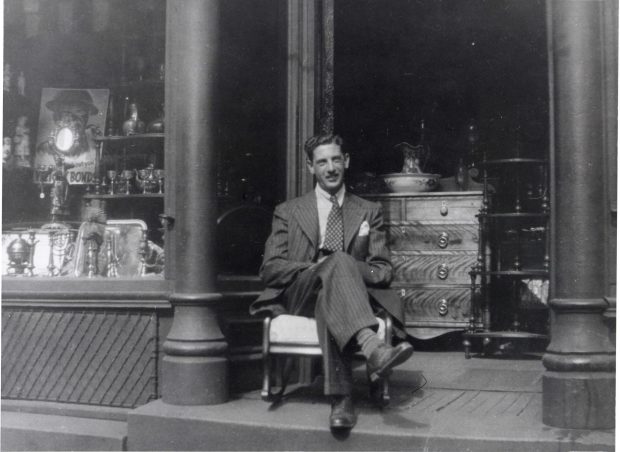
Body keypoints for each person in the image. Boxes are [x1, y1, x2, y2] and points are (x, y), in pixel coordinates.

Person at [250, 133, 413, 430]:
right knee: (334, 263)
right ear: (311, 167)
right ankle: (372, 347)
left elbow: (382, 270)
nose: (330, 168)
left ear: (346, 161)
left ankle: (342, 400)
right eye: (322, 162)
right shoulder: (288, 211)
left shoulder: (368, 210)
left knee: (336, 275)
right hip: (301, 294)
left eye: (336, 159)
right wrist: (318, 267)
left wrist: (344, 265)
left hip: (345, 300)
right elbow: (270, 269)